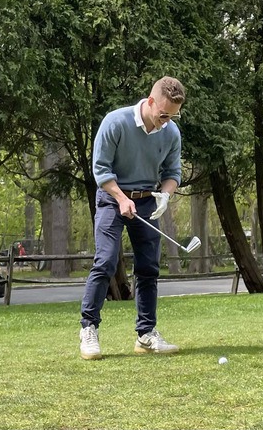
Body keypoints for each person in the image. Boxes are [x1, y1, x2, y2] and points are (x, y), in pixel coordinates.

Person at [80, 76, 186, 360]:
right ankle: (88, 329)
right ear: (150, 102)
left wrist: (165, 195)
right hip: (111, 199)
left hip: (147, 202)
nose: (166, 121)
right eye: (163, 114)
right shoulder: (115, 123)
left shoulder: (171, 132)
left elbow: (173, 173)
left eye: (173, 116)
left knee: (149, 268)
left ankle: (146, 335)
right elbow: (101, 170)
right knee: (105, 261)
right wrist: (121, 198)